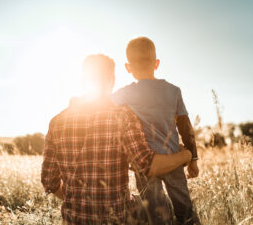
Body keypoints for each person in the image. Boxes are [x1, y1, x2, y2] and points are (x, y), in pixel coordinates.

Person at [41, 54, 192, 225]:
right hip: (116, 219)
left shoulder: (57, 122)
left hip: (73, 220)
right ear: (112, 80)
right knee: (158, 208)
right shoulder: (123, 117)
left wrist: (78, 199)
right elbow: (148, 166)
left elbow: (49, 181)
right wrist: (185, 156)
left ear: (83, 80)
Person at [111, 37, 200, 225]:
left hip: (145, 164)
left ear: (128, 67)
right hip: (174, 159)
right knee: (185, 209)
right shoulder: (173, 91)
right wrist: (192, 159)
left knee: (155, 214)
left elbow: (102, 107)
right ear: (157, 63)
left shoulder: (124, 94)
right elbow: (186, 127)